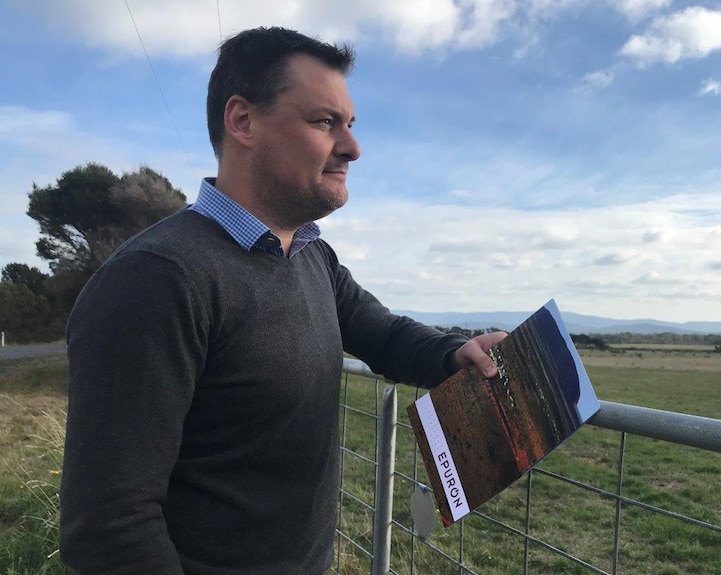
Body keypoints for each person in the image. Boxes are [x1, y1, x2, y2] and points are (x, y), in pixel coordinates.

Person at [59, 27, 505, 575]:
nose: (353, 147)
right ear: (242, 121)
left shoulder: (311, 256)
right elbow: (110, 530)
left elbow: (381, 332)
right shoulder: (155, 281)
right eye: (325, 122)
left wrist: (454, 354)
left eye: (350, 124)